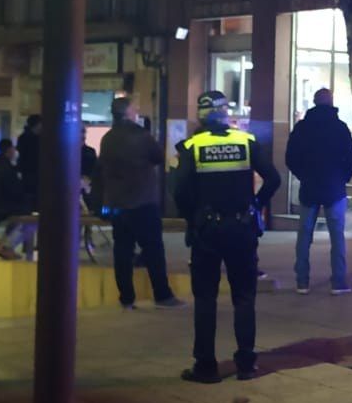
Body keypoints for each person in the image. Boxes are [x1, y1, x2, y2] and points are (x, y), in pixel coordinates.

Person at [174, 90, 280, 383]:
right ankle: (246, 364)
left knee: (206, 298)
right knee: (244, 297)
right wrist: (256, 204)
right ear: (225, 113)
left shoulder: (193, 146)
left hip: (207, 231)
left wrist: (192, 218)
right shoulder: (245, 142)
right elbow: (273, 179)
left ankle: (206, 366)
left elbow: (179, 191)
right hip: (243, 229)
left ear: (201, 114)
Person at [96, 97, 182, 310]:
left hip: (117, 202)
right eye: (135, 108)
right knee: (153, 249)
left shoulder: (107, 138)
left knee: (122, 250)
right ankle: (162, 294)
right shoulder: (140, 135)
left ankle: (126, 298)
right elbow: (158, 157)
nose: (138, 111)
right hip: (142, 201)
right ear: (127, 112)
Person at [284, 88, 352, 294]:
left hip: (309, 187)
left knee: (304, 235)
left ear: (314, 103)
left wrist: (303, 175)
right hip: (334, 188)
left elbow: (290, 157)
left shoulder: (302, 128)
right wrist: (342, 177)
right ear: (331, 102)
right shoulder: (340, 127)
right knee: (337, 236)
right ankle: (339, 281)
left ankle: (302, 281)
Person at [0, 139, 35, 260]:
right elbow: (14, 190)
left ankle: (1, 245)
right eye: (14, 149)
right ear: (9, 150)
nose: (15, 152)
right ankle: (6, 247)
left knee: (18, 219)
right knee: (30, 219)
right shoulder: (6, 167)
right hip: (1, 205)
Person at [16, 114, 42, 200]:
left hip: (28, 173)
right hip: (32, 173)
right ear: (37, 124)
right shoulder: (37, 139)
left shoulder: (22, 138)